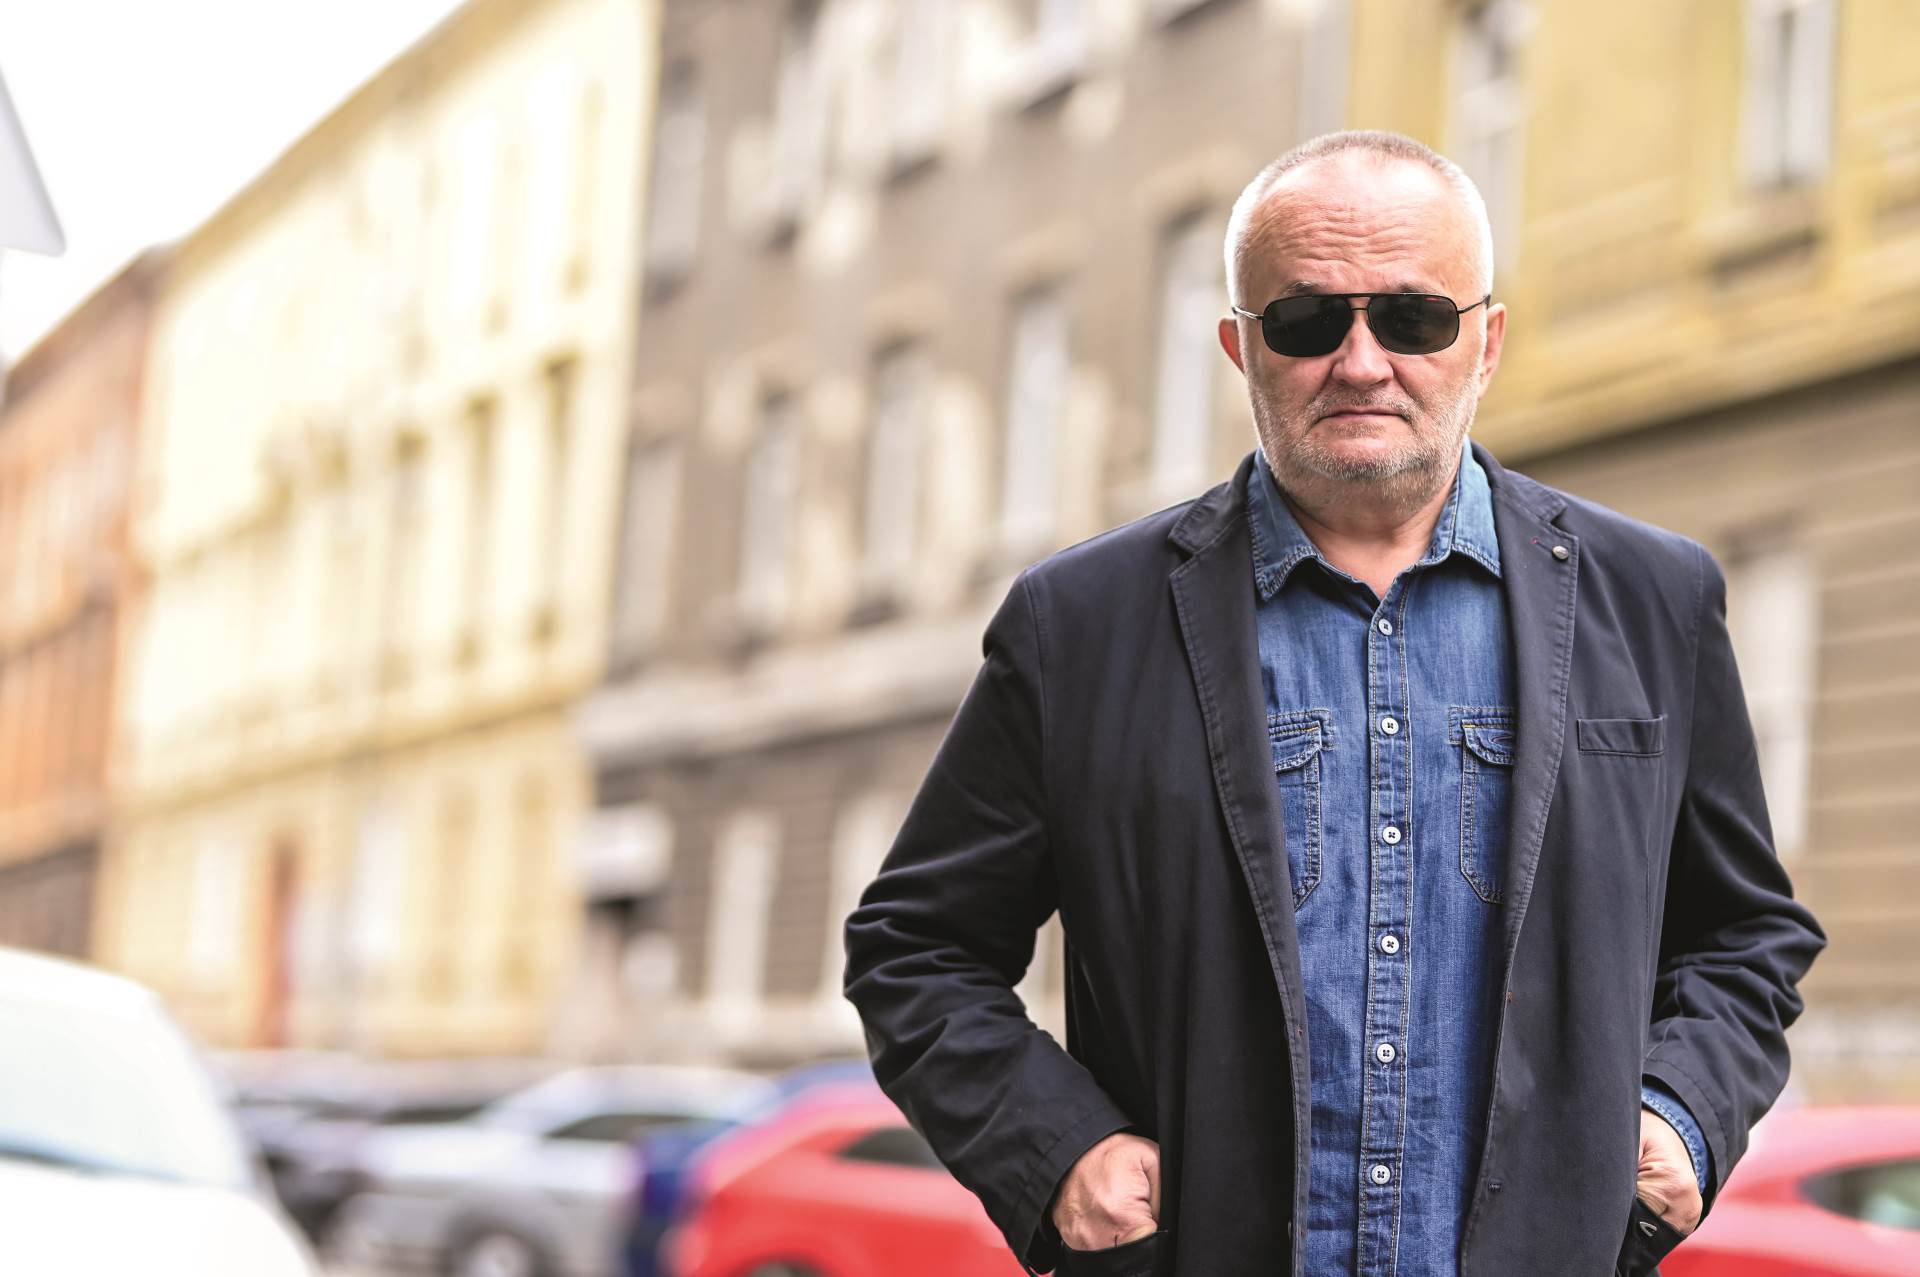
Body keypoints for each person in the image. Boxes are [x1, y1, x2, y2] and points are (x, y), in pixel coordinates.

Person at [842, 130, 1825, 1277]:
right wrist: (1058, 1149)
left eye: (1414, 318)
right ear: (1240, 346)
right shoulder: (1082, 624)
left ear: (1487, 342)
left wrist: (1681, 1116)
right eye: (1308, 321)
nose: (1361, 362)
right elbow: (916, 945)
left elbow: (1747, 934)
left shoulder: (1654, 599)